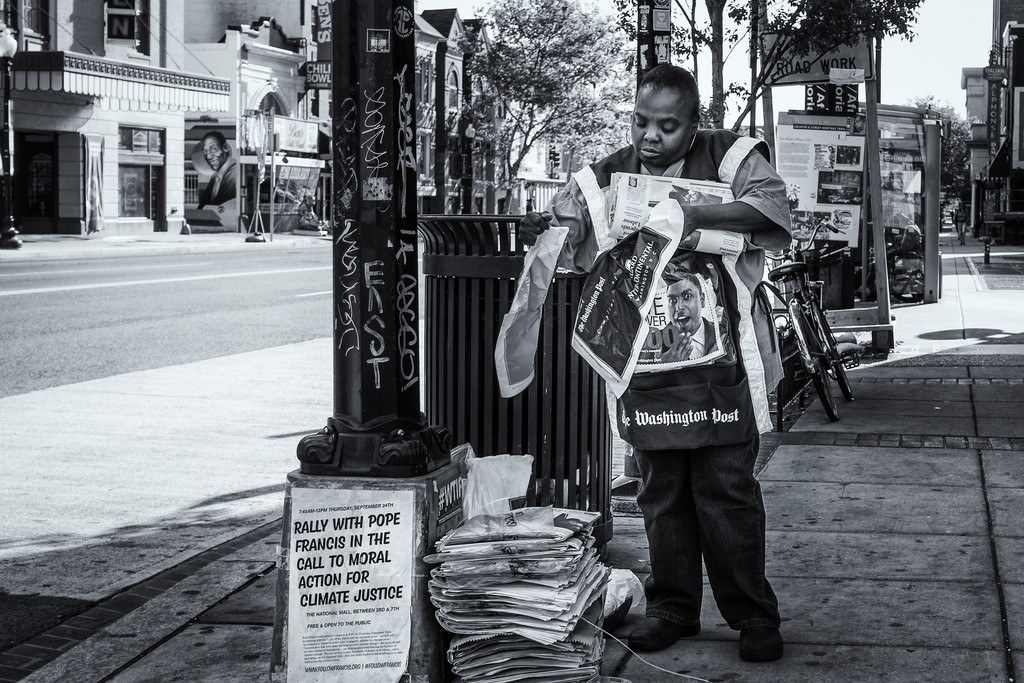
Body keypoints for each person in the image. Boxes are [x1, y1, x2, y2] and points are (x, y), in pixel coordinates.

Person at [519, 64, 792, 662]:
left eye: (667, 126)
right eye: (641, 121)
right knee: (660, 489)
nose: (650, 137)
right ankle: (672, 607)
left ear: (695, 125)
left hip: (724, 368)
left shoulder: (732, 158)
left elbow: (773, 212)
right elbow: (568, 235)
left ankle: (752, 615)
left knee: (727, 488)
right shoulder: (608, 174)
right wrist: (557, 230)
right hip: (645, 367)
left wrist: (695, 216)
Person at [660, 272, 717, 362]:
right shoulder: (655, 341)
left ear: (702, 300)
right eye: (672, 300)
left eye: (687, 296)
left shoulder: (721, 333)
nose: (679, 307)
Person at [196, 131, 238, 208]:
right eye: (205, 151)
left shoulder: (234, 173)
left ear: (225, 148)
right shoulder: (216, 176)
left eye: (213, 149)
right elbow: (203, 206)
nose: (208, 156)